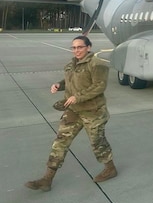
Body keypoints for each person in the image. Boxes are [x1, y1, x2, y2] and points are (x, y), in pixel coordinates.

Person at [25, 35, 116, 192]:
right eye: (73, 47)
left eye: (80, 47)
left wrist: (77, 97)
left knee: (97, 143)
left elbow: (99, 86)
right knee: (60, 143)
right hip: (73, 112)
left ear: (88, 47)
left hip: (93, 112)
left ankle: (110, 169)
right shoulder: (71, 64)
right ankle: (47, 179)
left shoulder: (97, 64)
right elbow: (69, 80)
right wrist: (58, 85)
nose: (76, 50)